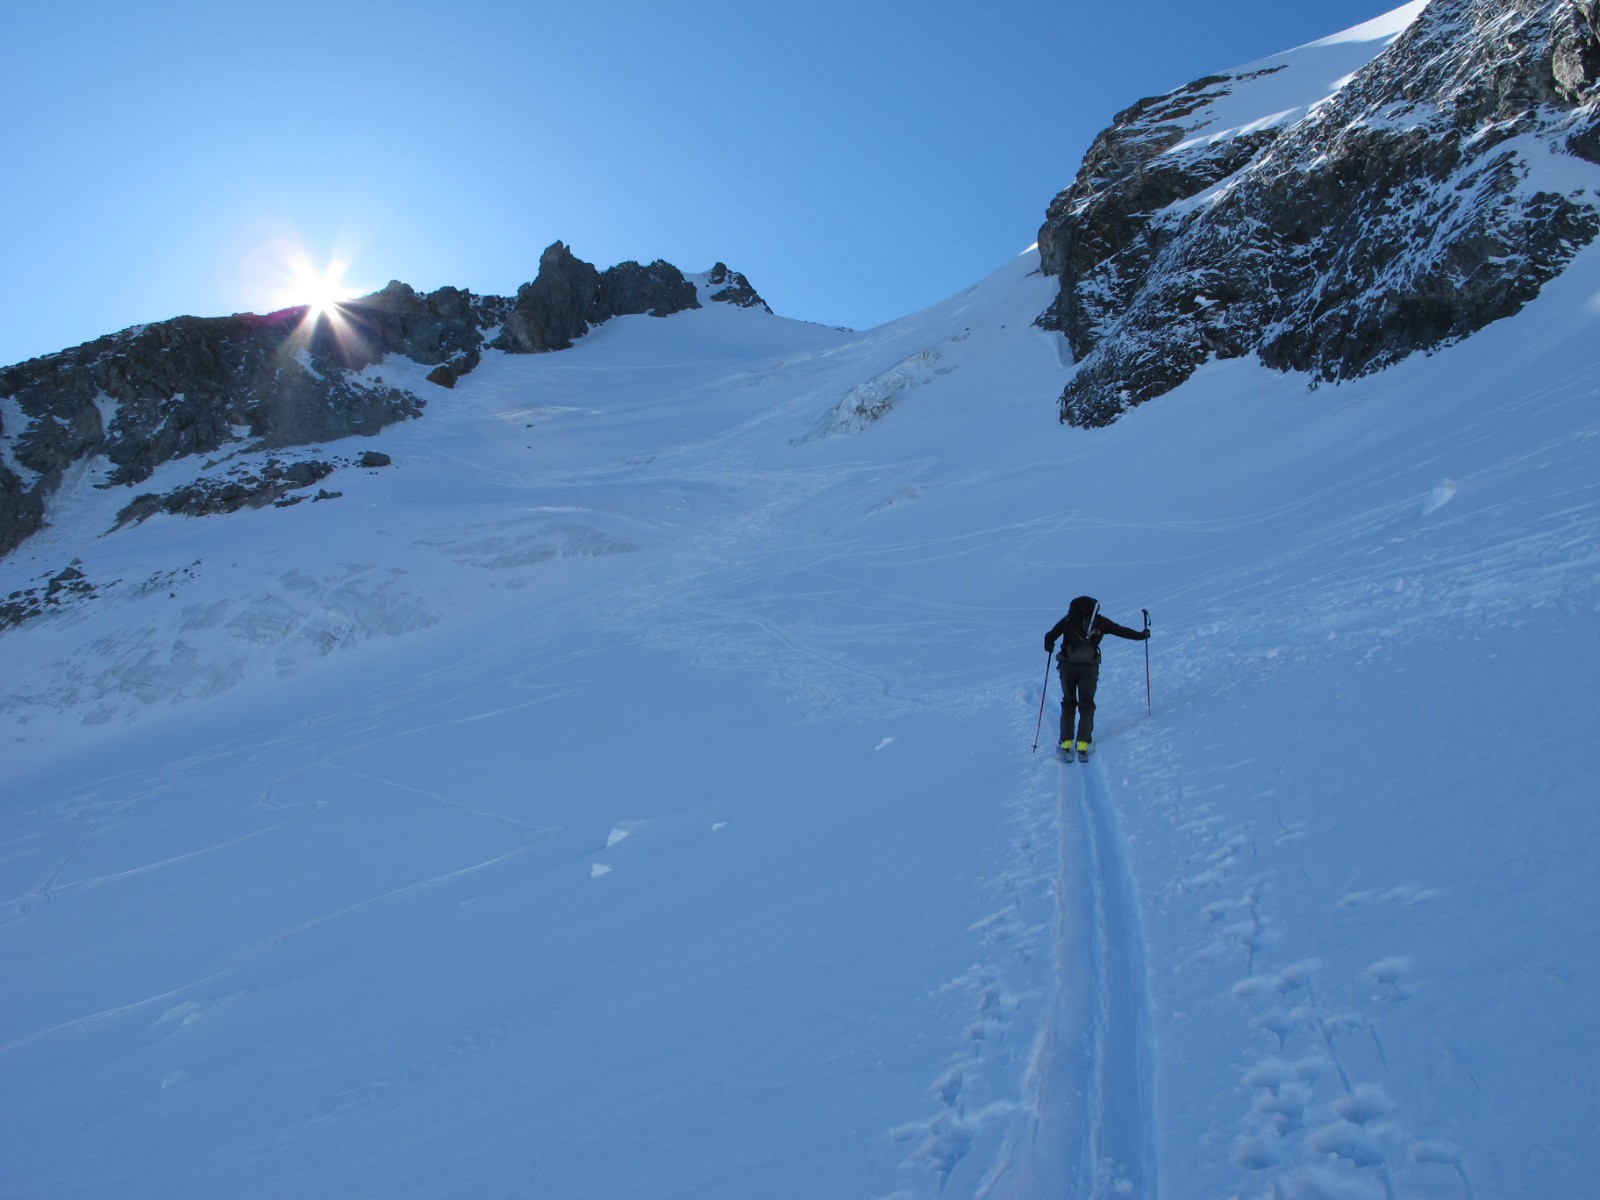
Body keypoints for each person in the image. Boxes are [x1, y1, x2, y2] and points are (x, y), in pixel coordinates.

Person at [1044, 596, 1149, 759]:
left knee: (1069, 702)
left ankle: (1065, 743)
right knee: (1086, 704)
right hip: (1089, 668)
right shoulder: (1099, 621)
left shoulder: (1069, 620)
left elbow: (1049, 637)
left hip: (1068, 666)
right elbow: (1120, 631)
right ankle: (1083, 744)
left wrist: (1049, 647)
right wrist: (1142, 635)